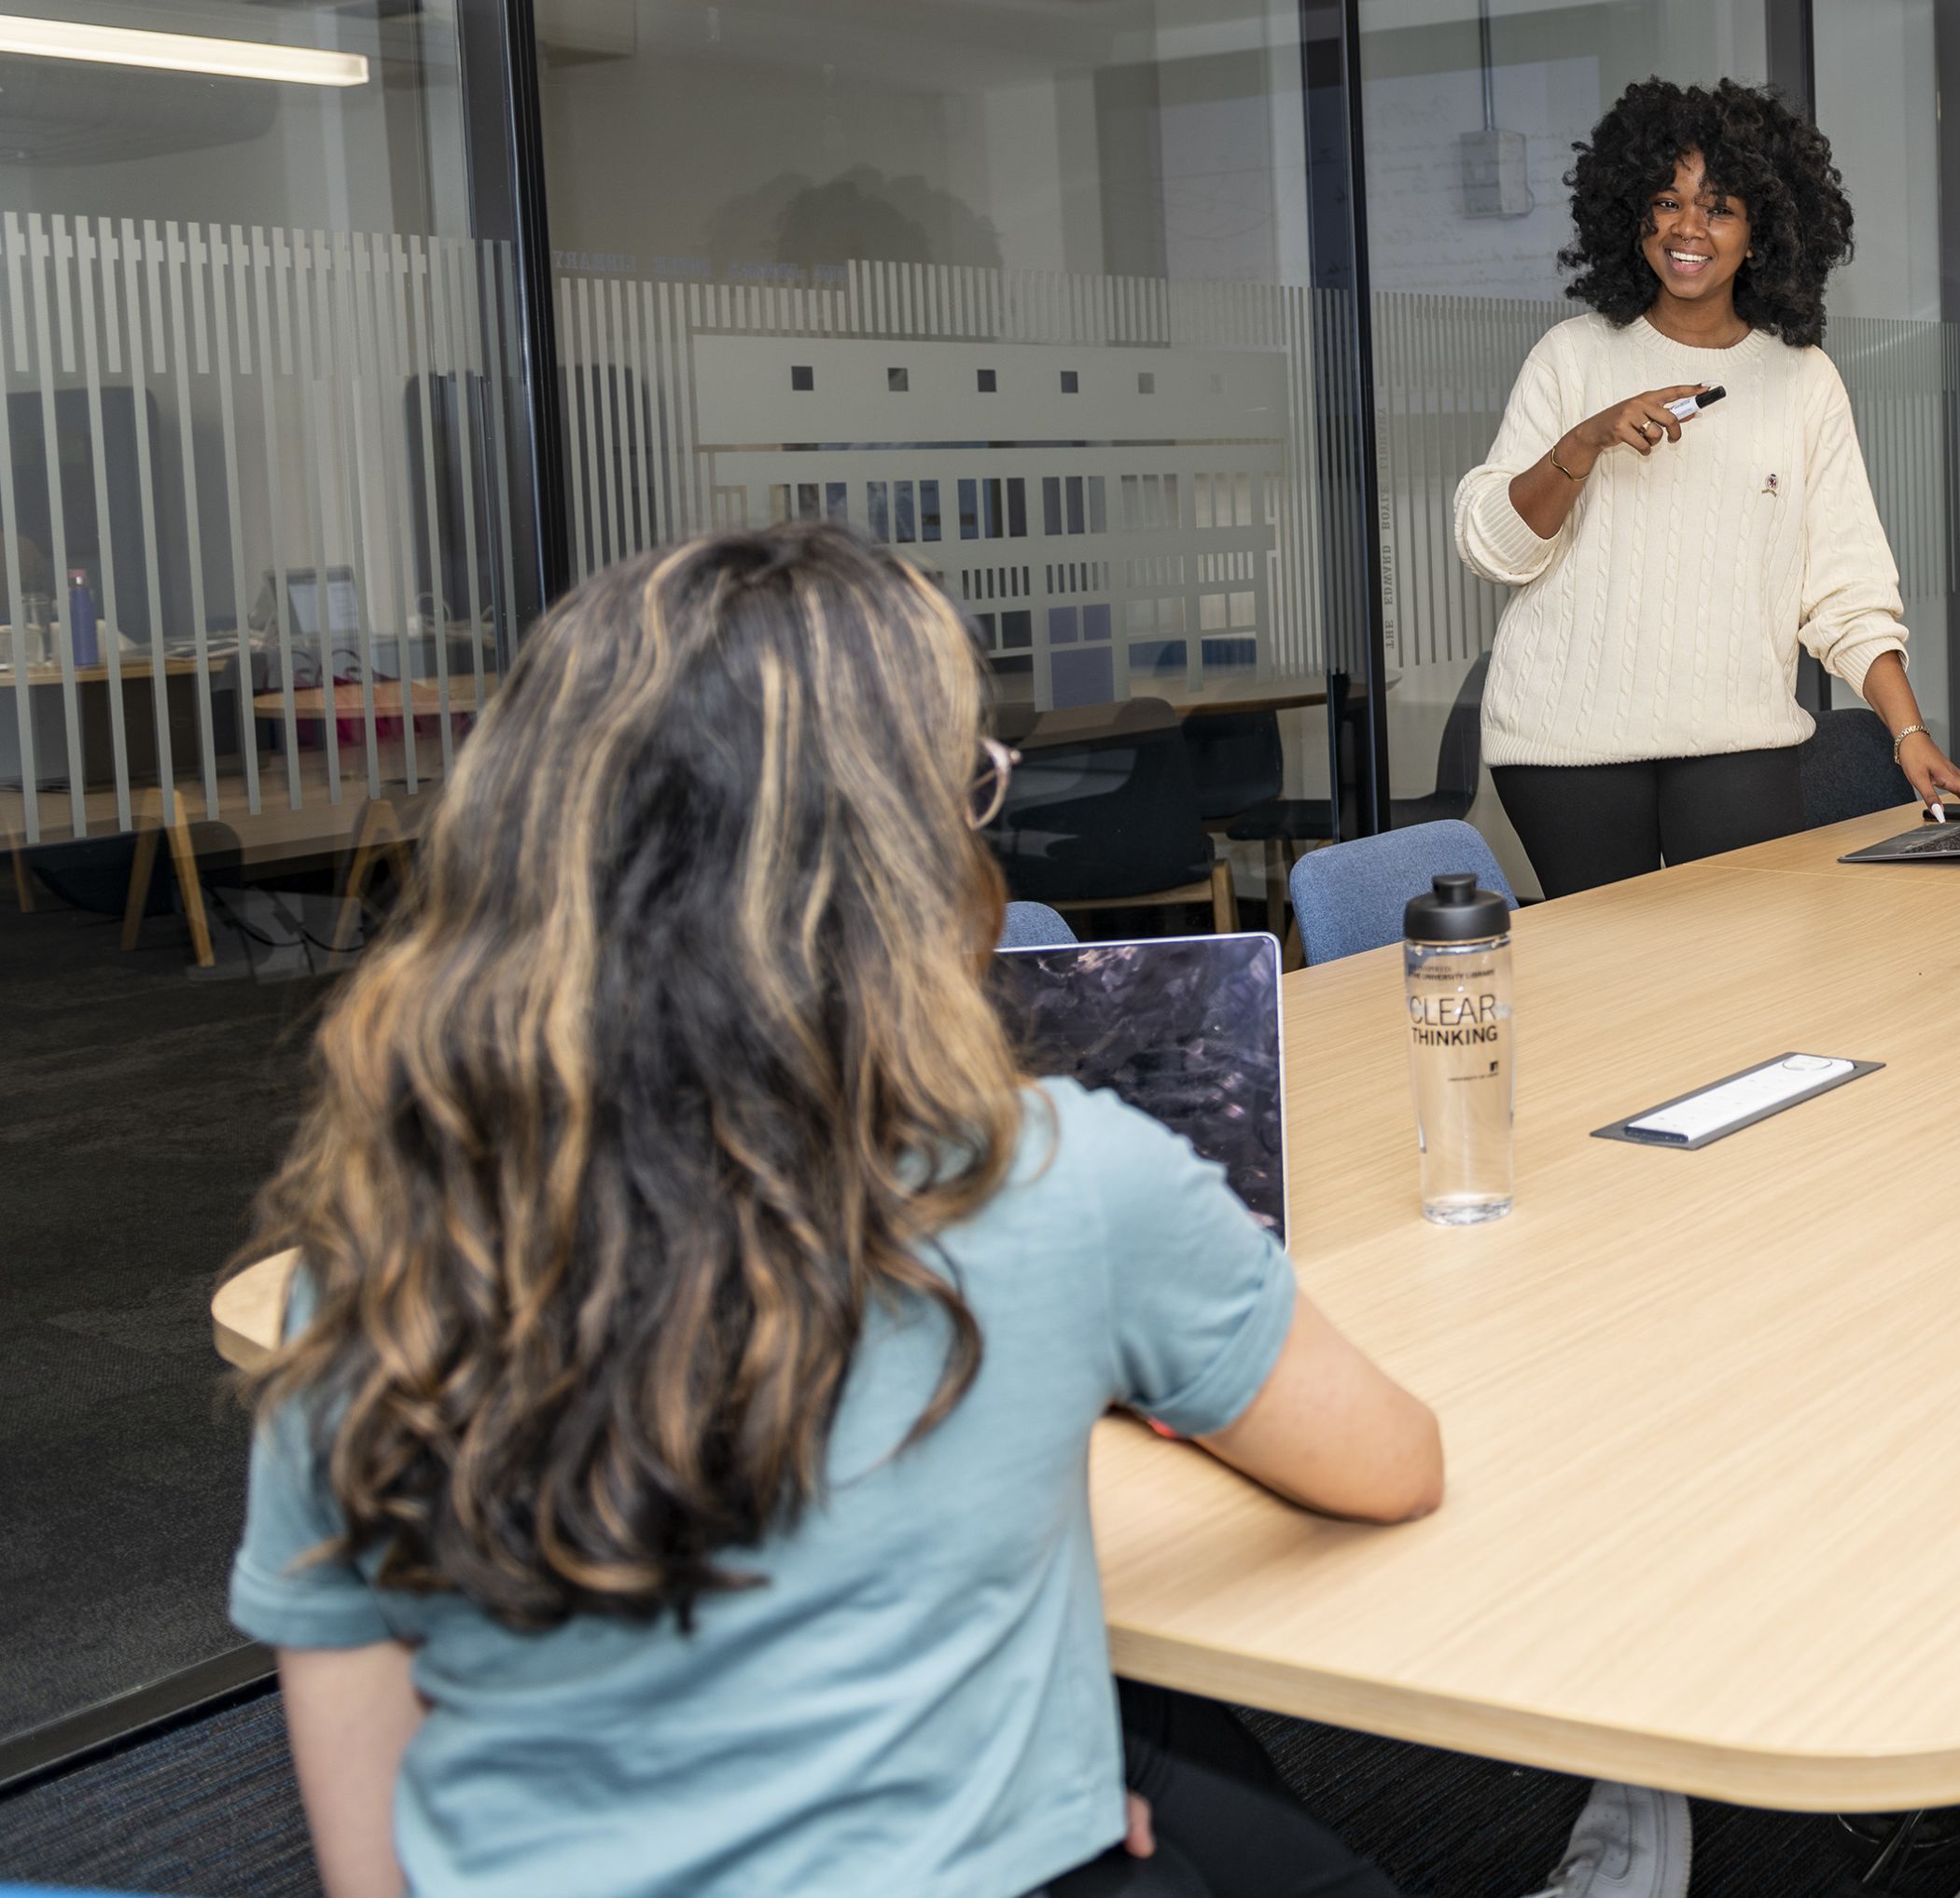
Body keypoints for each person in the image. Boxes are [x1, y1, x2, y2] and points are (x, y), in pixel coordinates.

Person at [225, 525, 1669, 1898]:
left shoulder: (365, 1275)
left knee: (1142, 1742)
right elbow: (1391, 1462)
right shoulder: (1045, 1175)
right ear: (899, 853)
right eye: (971, 780)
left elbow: (377, 1853)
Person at [1453, 77, 1960, 897]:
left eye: (1718, 207)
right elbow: (1493, 547)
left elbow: (1846, 588)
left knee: (1744, 971)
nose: (1687, 228)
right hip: (1564, 745)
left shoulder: (1802, 380)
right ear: (1631, 215)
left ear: (1763, 231)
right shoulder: (1571, 356)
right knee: (1613, 985)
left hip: (1738, 738)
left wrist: (1910, 733)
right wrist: (1585, 439)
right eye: (1666, 201)